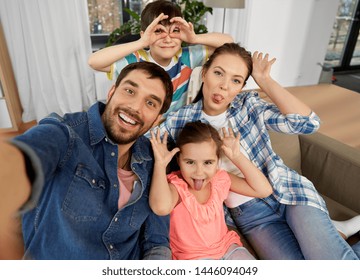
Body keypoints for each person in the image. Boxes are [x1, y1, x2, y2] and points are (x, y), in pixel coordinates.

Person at [152, 42, 360, 259]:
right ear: (204, 73)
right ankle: (337, 232)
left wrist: (266, 81)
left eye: (235, 80)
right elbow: (140, 144)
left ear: (242, 86)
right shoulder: (181, 120)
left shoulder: (249, 105)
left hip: (290, 192)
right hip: (251, 214)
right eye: (218, 73)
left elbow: (307, 124)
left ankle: (334, 233)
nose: (224, 86)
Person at [0, 61, 173, 260]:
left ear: (158, 118)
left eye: (150, 103)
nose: (135, 107)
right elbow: (21, 159)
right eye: (129, 91)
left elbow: (156, 241)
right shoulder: (65, 133)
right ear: (111, 92)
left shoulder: (154, 158)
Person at [149, 121, 272, 260]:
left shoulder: (219, 179)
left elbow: (263, 190)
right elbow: (160, 208)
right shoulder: (176, 186)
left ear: (217, 161)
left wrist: (237, 156)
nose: (199, 172)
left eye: (208, 162)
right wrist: (160, 164)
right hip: (194, 258)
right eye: (190, 162)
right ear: (178, 160)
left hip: (228, 248)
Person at [88, 0, 233, 117]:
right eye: (158, 31)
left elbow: (228, 43)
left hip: (172, 129)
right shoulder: (135, 62)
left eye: (175, 31)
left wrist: (194, 38)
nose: (168, 38)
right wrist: (141, 42)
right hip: (140, 129)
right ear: (145, 34)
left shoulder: (186, 58)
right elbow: (94, 62)